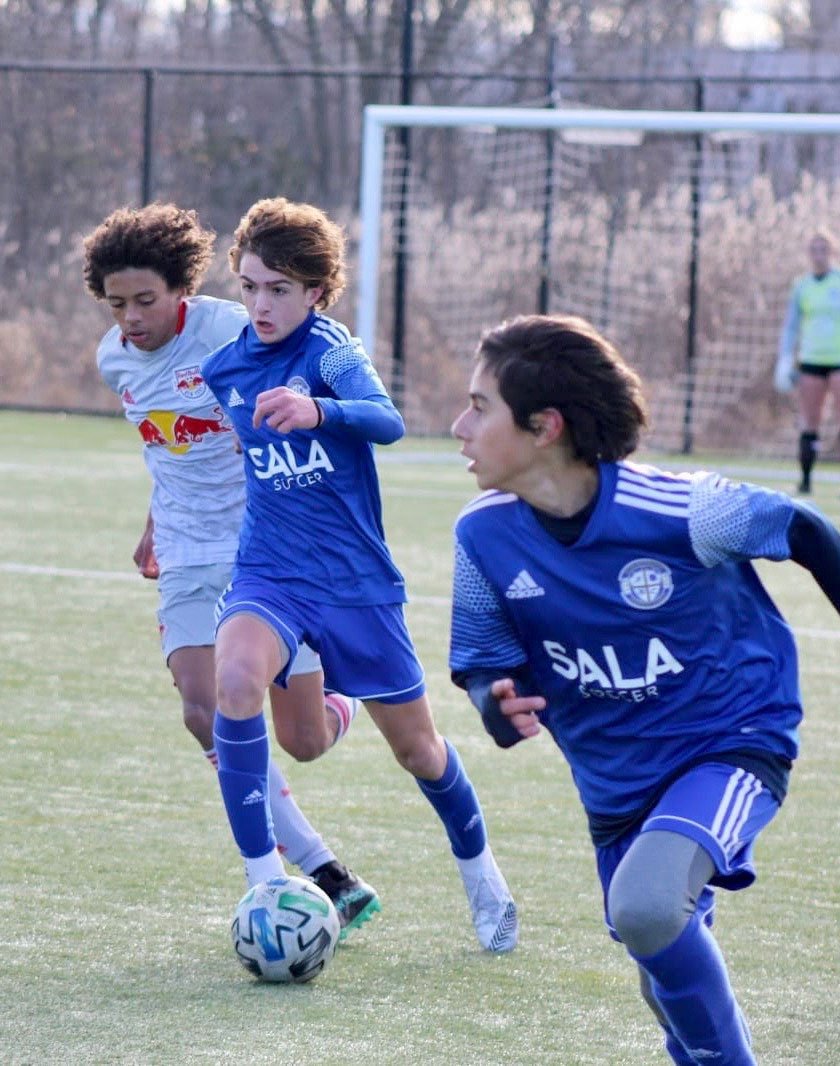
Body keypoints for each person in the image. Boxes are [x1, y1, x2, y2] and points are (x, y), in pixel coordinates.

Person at [450, 312, 840, 1062]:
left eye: (479, 406)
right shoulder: (482, 536)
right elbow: (483, 664)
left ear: (544, 427)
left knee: (647, 908)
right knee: (658, 965)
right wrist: (495, 707)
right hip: (615, 785)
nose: (459, 425)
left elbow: (805, 528)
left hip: (729, 744)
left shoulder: (679, 510)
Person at [199, 196, 518, 954]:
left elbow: (386, 420)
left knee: (420, 752)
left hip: (354, 583)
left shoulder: (331, 352)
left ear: (315, 291)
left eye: (279, 288)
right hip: (269, 573)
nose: (261, 303)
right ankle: (265, 883)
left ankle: (482, 877)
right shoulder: (226, 367)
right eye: (249, 286)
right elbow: (238, 462)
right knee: (234, 683)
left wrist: (320, 413)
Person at [83, 202, 380, 938]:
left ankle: (350, 692)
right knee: (200, 706)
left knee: (303, 741)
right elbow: (163, 446)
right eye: (117, 304)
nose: (132, 319)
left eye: (146, 301)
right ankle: (304, 874)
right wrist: (152, 525)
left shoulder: (233, 331)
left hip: (265, 548)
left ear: (182, 288)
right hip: (186, 553)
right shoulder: (111, 358)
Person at [774, 227, 840, 492]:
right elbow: (791, 326)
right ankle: (805, 480)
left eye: (823, 249)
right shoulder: (802, 287)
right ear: (808, 254)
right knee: (809, 420)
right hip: (811, 360)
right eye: (814, 249)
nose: (819, 254)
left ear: (832, 251)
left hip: (838, 359)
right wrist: (785, 358)